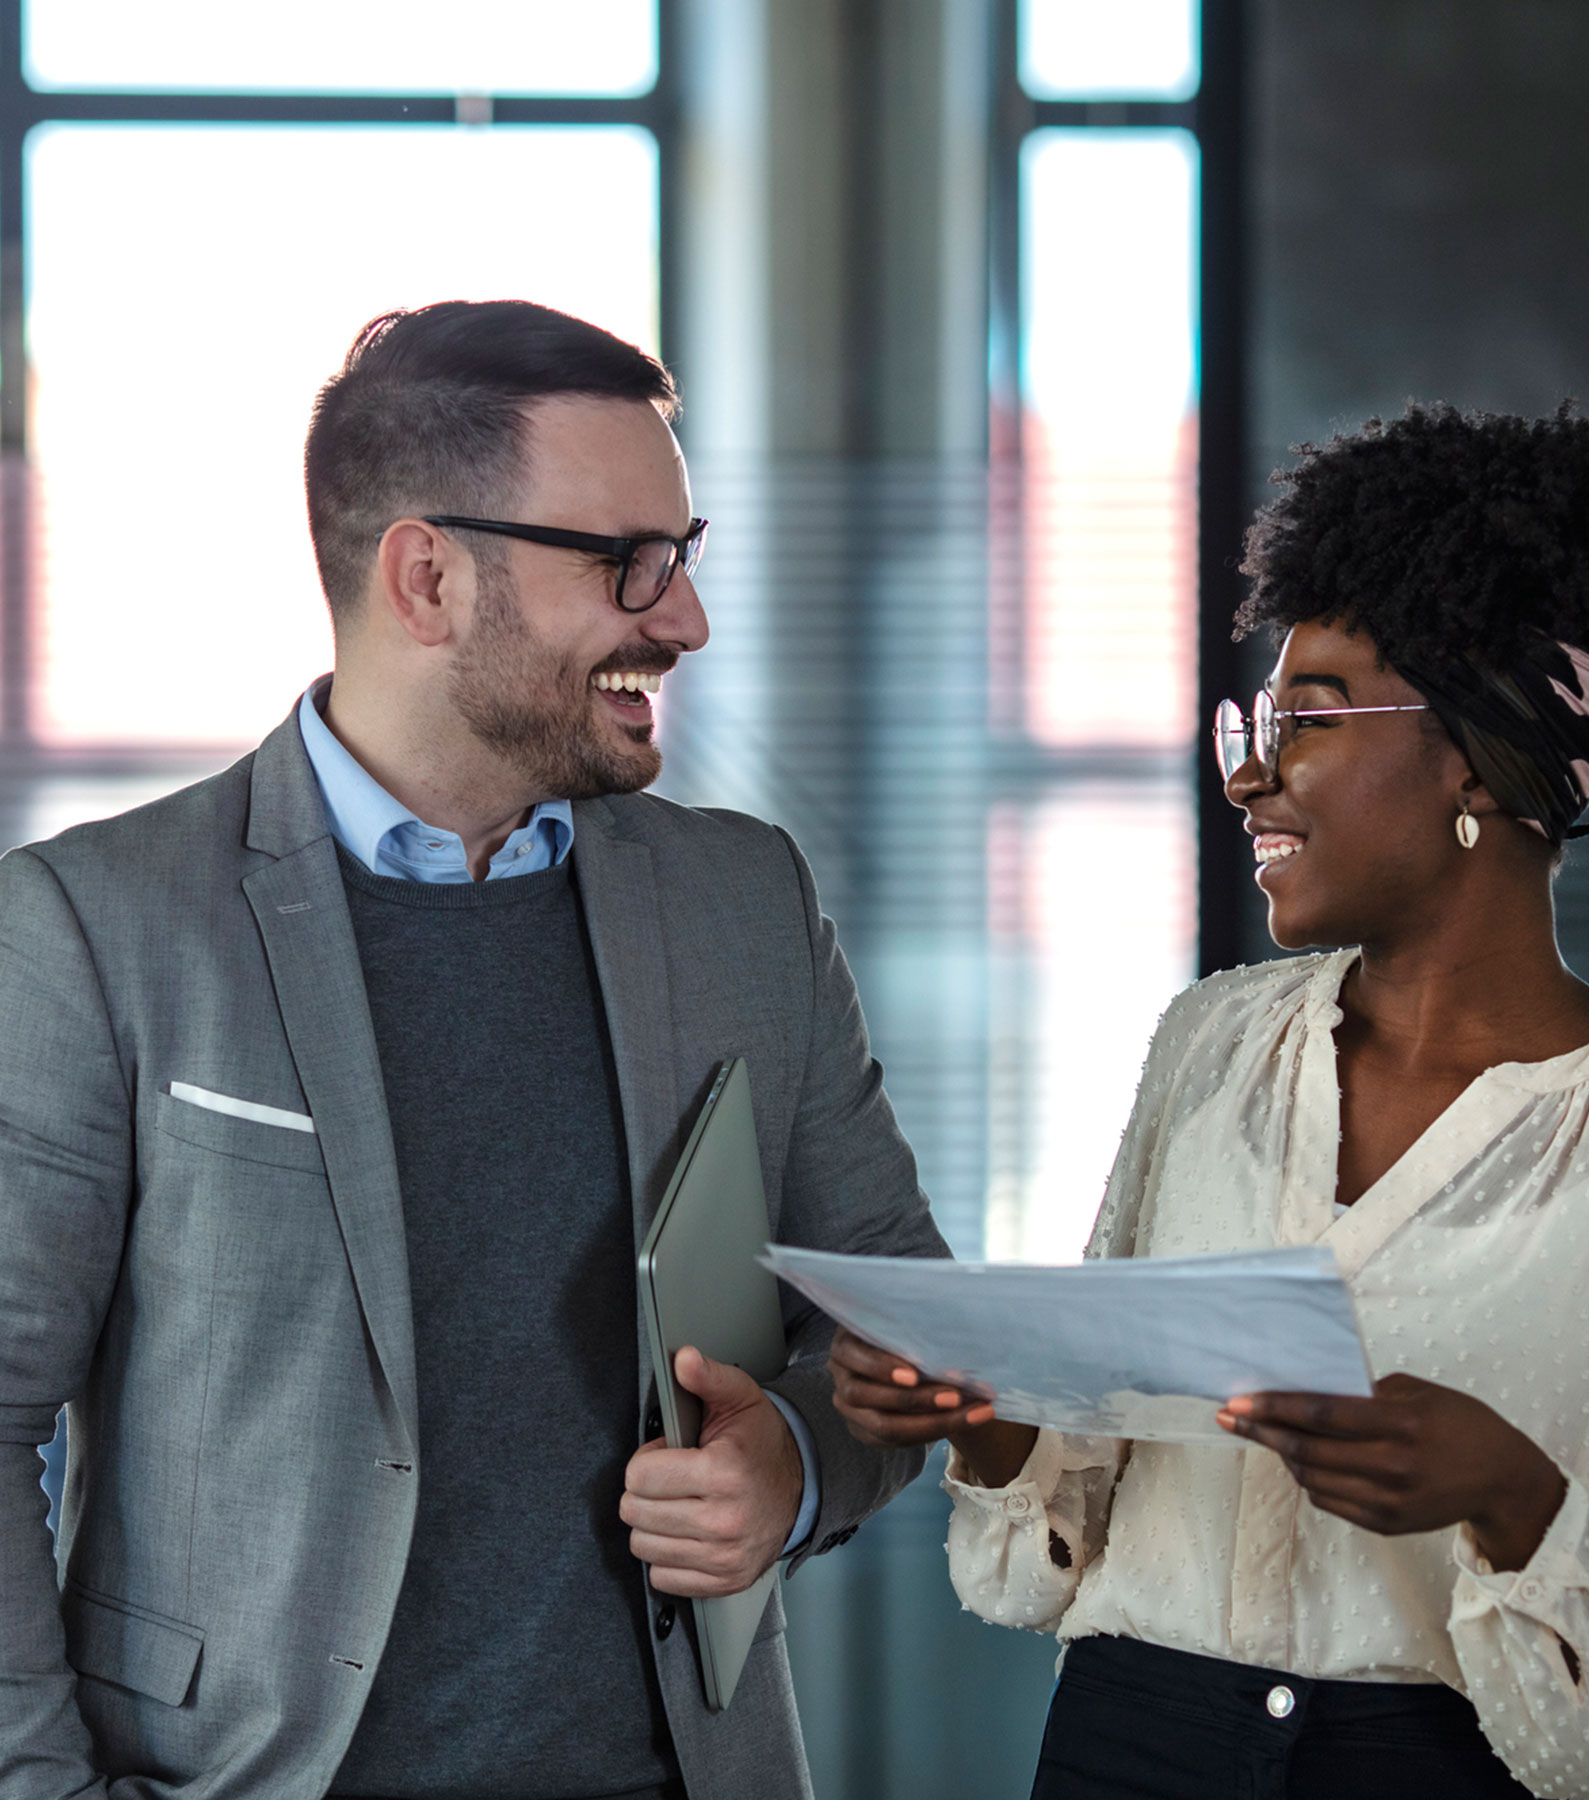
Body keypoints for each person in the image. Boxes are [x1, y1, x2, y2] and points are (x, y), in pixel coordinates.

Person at [0, 300, 948, 1800]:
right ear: (428, 576)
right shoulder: (99, 928)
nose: (683, 619)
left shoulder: (744, 899)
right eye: (625, 563)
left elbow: (902, 1313)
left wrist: (799, 1463)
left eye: (683, 555)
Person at [831, 404, 1589, 1800]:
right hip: (1127, 1745)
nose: (1247, 769)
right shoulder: (1212, 1046)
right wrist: (977, 1407)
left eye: (1312, 716)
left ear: (1473, 753)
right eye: (1257, 716)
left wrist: (1512, 1497)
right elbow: (1089, 1484)